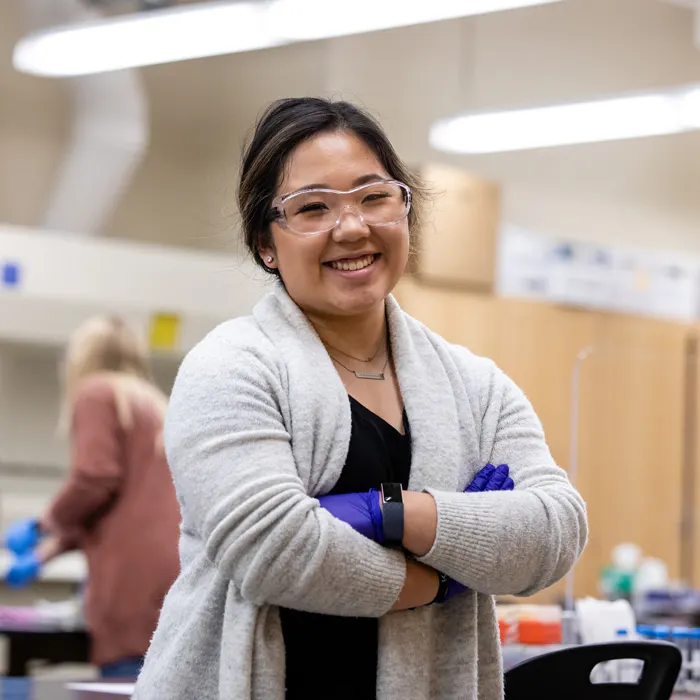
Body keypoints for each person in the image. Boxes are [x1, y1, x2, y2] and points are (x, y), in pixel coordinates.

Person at [133, 98, 587, 700]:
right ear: (266, 245)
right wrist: (445, 577)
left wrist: (393, 512)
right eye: (312, 208)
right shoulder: (232, 368)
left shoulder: (473, 385)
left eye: (374, 197)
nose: (352, 228)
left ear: (404, 210)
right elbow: (276, 549)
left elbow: (555, 531)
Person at [3, 315, 181, 679]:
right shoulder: (152, 403)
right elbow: (116, 502)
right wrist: (46, 552)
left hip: (129, 579)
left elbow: (94, 479)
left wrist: (42, 524)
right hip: (169, 572)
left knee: (128, 676)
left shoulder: (97, 393)